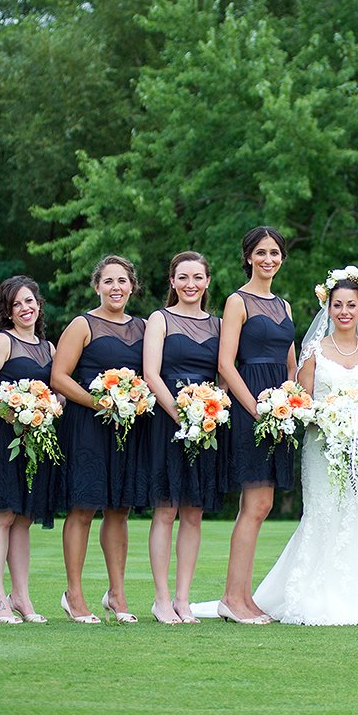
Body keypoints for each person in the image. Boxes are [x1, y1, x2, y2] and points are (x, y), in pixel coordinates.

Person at [252, 269, 358, 624]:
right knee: (322, 514)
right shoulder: (315, 350)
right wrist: (329, 416)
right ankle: (308, 592)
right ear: (328, 308)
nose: (345, 311)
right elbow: (302, 399)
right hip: (321, 445)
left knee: (355, 515)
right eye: (338, 305)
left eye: (351, 304)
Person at [51, 255, 147, 624]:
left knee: (119, 509)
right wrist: (99, 403)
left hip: (125, 429)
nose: (116, 288)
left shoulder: (141, 327)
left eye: (122, 281)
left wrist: (130, 403)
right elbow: (59, 376)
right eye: (109, 281)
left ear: (132, 286)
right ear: (97, 286)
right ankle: (73, 595)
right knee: (83, 508)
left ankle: (117, 594)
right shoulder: (83, 324)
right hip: (87, 426)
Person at [218, 227, 297, 624]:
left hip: (281, 411)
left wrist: (293, 403)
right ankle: (233, 598)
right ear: (248, 256)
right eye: (261, 252)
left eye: (275, 252)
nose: (269, 259)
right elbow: (225, 363)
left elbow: (290, 362)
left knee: (262, 504)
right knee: (254, 503)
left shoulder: (284, 306)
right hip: (249, 406)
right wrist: (255, 409)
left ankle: (242, 595)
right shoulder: (237, 301)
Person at [0, 276, 58, 625]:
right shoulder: (1, 342)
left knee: (24, 517)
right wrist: (13, 414)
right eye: (18, 303)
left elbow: (56, 386)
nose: (26, 308)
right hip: (3, 439)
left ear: (39, 304)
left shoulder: (48, 348)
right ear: (8, 311)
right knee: (3, 514)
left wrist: (52, 406)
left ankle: (20, 595)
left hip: (34, 441)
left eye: (30, 301)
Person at [142, 252, 223, 624]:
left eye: (198, 277)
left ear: (207, 282)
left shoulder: (219, 325)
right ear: (172, 282)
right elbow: (151, 373)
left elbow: (222, 373)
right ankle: (160, 599)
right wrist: (180, 413)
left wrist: (211, 408)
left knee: (194, 512)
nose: (191, 284)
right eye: (183, 277)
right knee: (166, 509)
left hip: (206, 425)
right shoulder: (160, 319)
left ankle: (183, 599)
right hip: (167, 421)